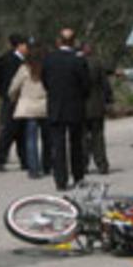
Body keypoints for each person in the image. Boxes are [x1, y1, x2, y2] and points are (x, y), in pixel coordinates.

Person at [42, 29, 90, 191]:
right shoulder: (78, 60)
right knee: (76, 144)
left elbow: (45, 81)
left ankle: (60, 180)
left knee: (58, 145)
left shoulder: (49, 59)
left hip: (56, 107)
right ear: (74, 42)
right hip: (75, 107)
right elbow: (86, 84)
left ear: (59, 41)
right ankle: (78, 176)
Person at [8, 46, 51, 179]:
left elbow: (14, 87)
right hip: (45, 106)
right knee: (47, 139)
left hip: (28, 108)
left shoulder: (24, 70)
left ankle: (33, 169)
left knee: (30, 140)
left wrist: (13, 98)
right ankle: (47, 165)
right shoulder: (47, 68)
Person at [0, 34, 28, 172]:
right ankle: (0, 160)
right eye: (25, 45)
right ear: (19, 46)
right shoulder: (4, 59)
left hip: (24, 100)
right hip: (9, 100)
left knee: (23, 132)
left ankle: (25, 160)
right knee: (7, 132)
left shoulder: (27, 60)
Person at [81, 43, 111, 175]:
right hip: (97, 105)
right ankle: (102, 164)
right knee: (98, 136)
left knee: (82, 138)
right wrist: (109, 100)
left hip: (81, 106)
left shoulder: (78, 64)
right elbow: (105, 84)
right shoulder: (98, 63)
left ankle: (83, 164)